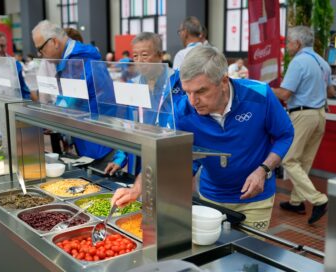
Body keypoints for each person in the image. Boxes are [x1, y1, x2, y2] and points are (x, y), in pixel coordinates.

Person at [112, 46, 294, 231]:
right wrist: (137, 188)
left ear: (223, 81)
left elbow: (285, 135)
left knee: (250, 256)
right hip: (211, 196)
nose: (193, 101)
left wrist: (263, 169)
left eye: (200, 91)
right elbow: (164, 155)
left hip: (256, 199)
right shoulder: (182, 111)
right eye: (187, 92)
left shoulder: (260, 95)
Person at [32, 20, 125, 168]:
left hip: (99, 141)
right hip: (91, 136)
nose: (41, 54)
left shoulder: (77, 61)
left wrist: (49, 118)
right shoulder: (73, 59)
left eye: (41, 49)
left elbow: (68, 101)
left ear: (54, 42)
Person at [272, 26, 336, 224]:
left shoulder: (299, 62)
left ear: (297, 43)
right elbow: (331, 92)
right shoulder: (323, 62)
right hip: (319, 116)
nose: (287, 46)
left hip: (302, 115)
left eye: (288, 42)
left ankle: (319, 200)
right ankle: (296, 201)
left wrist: (261, 87)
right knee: (304, 161)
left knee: (289, 159)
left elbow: (284, 94)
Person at [104, 32, 185, 176]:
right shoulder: (133, 85)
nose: (140, 61)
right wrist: (119, 158)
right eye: (135, 56)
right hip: (140, 157)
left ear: (160, 56)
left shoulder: (178, 82)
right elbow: (127, 126)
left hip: (170, 156)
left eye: (145, 55)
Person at [0, 32, 31, 100]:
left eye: (2, 46)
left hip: (13, 106)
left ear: (6, 46)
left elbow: (24, 90)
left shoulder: (15, 65)